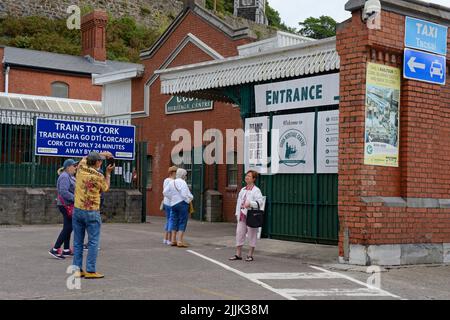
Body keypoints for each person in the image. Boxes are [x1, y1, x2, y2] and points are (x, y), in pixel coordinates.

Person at [72, 151, 114, 279]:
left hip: (78, 209)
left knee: (77, 242)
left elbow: (84, 158)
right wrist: (108, 173)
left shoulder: (80, 168)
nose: (101, 161)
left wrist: (101, 153)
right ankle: (90, 270)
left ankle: (77, 269)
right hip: (91, 211)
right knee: (93, 242)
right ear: (97, 163)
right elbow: (106, 188)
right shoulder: (99, 176)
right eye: (100, 160)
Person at [229, 170, 264, 262]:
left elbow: (260, 202)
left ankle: (250, 255)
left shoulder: (256, 190)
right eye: (246, 175)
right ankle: (238, 254)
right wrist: (237, 214)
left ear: (253, 179)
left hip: (251, 216)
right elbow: (238, 203)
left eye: (249, 176)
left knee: (252, 235)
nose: (247, 177)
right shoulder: (243, 190)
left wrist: (250, 203)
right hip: (241, 215)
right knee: (239, 234)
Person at [49, 159, 77, 260]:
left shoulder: (69, 176)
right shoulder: (64, 176)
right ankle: (55, 249)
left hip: (67, 204)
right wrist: (76, 198)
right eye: (74, 166)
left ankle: (66, 249)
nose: (76, 167)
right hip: (66, 205)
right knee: (69, 227)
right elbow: (63, 191)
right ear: (68, 166)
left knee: (68, 226)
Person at [163, 168, 193, 248]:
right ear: (183, 175)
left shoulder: (172, 182)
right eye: (185, 175)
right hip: (182, 204)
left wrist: (172, 197)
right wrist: (188, 200)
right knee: (182, 221)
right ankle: (179, 241)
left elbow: (164, 192)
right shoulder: (183, 182)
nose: (186, 177)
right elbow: (185, 194)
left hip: (173, 204)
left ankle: (173, 240)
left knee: (173, 220)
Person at [162, 166, 178, 245]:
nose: (176, 174)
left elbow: (164, 191)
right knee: (171, 220)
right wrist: (172, 198)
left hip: (165, 203)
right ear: (172, 173)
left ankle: (165, 238)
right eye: (176, 173)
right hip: (171, 203)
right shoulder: (173, 181)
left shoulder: (165, 180)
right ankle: (169, 239)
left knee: (168, 220)